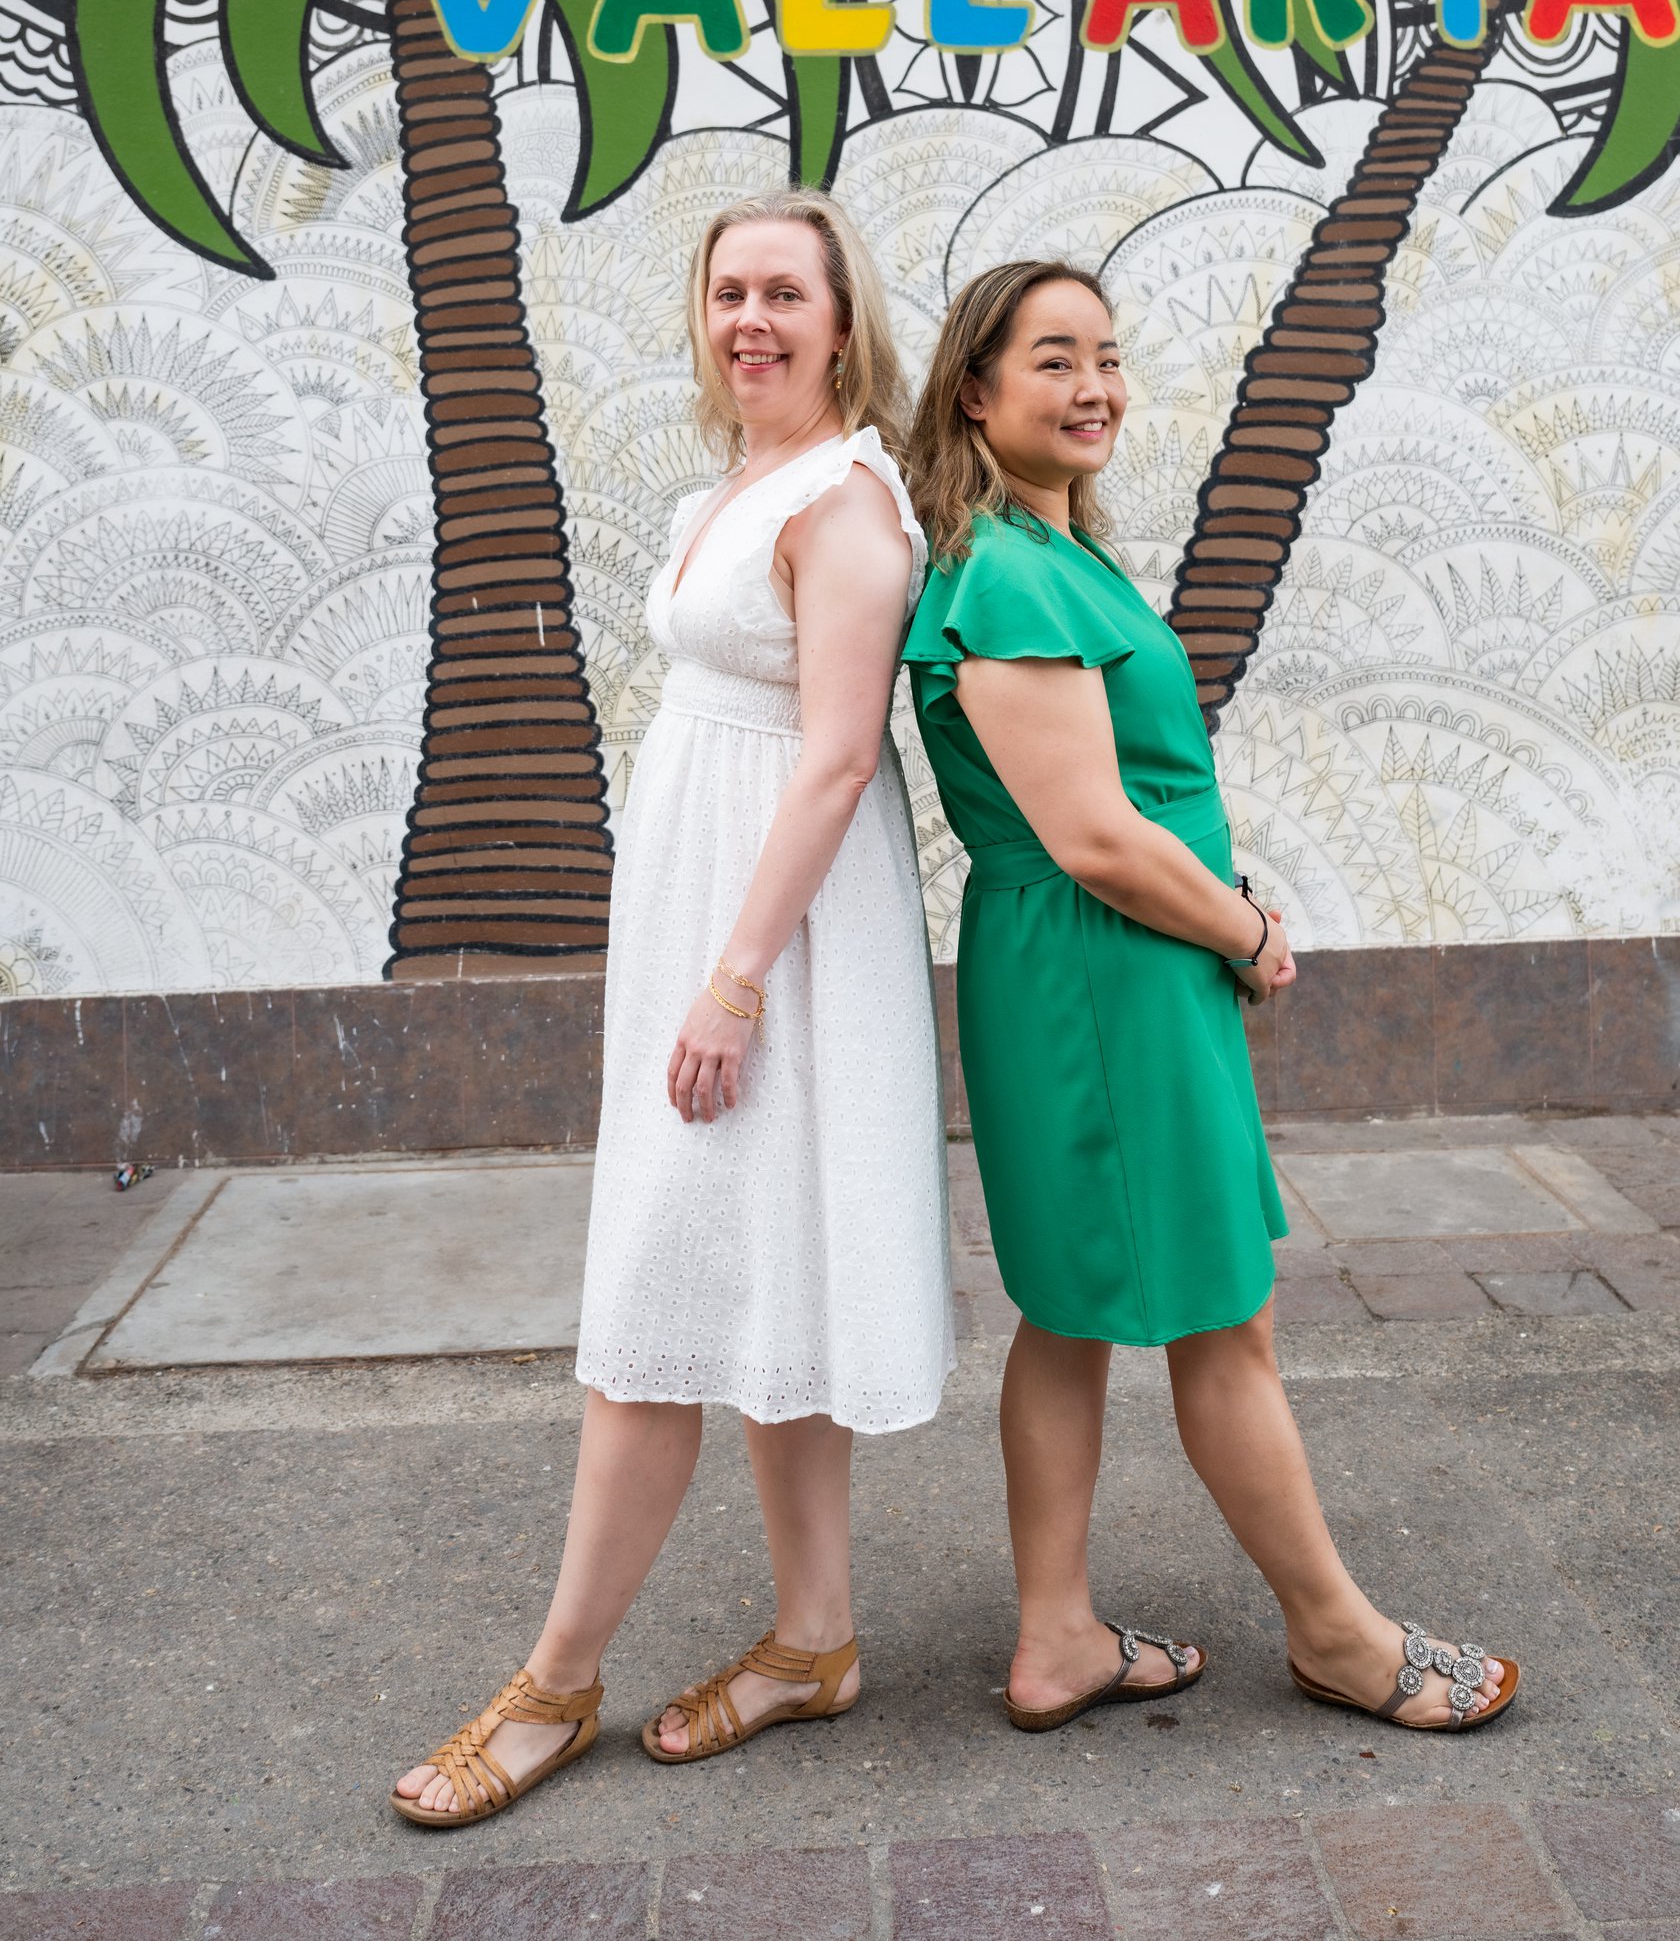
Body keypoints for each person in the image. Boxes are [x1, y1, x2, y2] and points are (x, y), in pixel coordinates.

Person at [393, 190, 953, 1826]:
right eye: (728, 293)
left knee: (655, 1294)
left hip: (775, 950)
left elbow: (837, 760)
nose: (750, 320)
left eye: (785, 293)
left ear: (843, 325)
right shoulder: (748, 481)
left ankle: (553, 1687)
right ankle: (816, 1638)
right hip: (717, 927)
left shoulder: (846, 505)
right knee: (763, 1282)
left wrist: (735, 979)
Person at [901, 259, 1516, 1735]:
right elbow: (1096, 838)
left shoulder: (1045, 554)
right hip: (1105, 975)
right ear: (974, 391)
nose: (1094, 387)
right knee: (1222, 1320)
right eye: (1055, 359)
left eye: (1108, 357)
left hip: (1101, 968)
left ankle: (1057, 1640)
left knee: (1069, 1315)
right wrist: (1242, 930)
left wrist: (1223, 911)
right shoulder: (1009, 574)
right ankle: (1340, 1638)